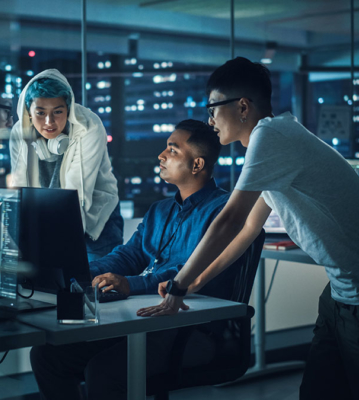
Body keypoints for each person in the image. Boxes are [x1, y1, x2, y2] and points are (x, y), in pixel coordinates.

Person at [137, 57, 359, 400]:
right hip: (339, 293)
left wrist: (179, 286)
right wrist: (194, 282)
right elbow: (248, 230)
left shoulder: (270, 135)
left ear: (242, 106)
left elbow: (230, 219)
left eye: (213, 108)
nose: (210, 120)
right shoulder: (279, 138)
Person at [30, 119, 251, 400]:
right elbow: (128, 255)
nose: (161, 155)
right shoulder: (160, 210)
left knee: (104, 371)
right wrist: (77, 271)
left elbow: (187, 272)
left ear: (197, 164)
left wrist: (130, 285)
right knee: (48, 356)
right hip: (144, 319)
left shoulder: (223, 212)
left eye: (172, 150)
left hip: (192, 329)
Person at [10, 69, 123, 260]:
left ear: (68, 110)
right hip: (47, 220)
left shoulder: (89, 127)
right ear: (29, 112)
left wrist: (56, 244)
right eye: (40, 112)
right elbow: (22, 189)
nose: (49, 122)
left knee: (94, 285)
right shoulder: (19, 133)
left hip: (97, 220)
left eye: (58, 112)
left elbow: (77, 194)